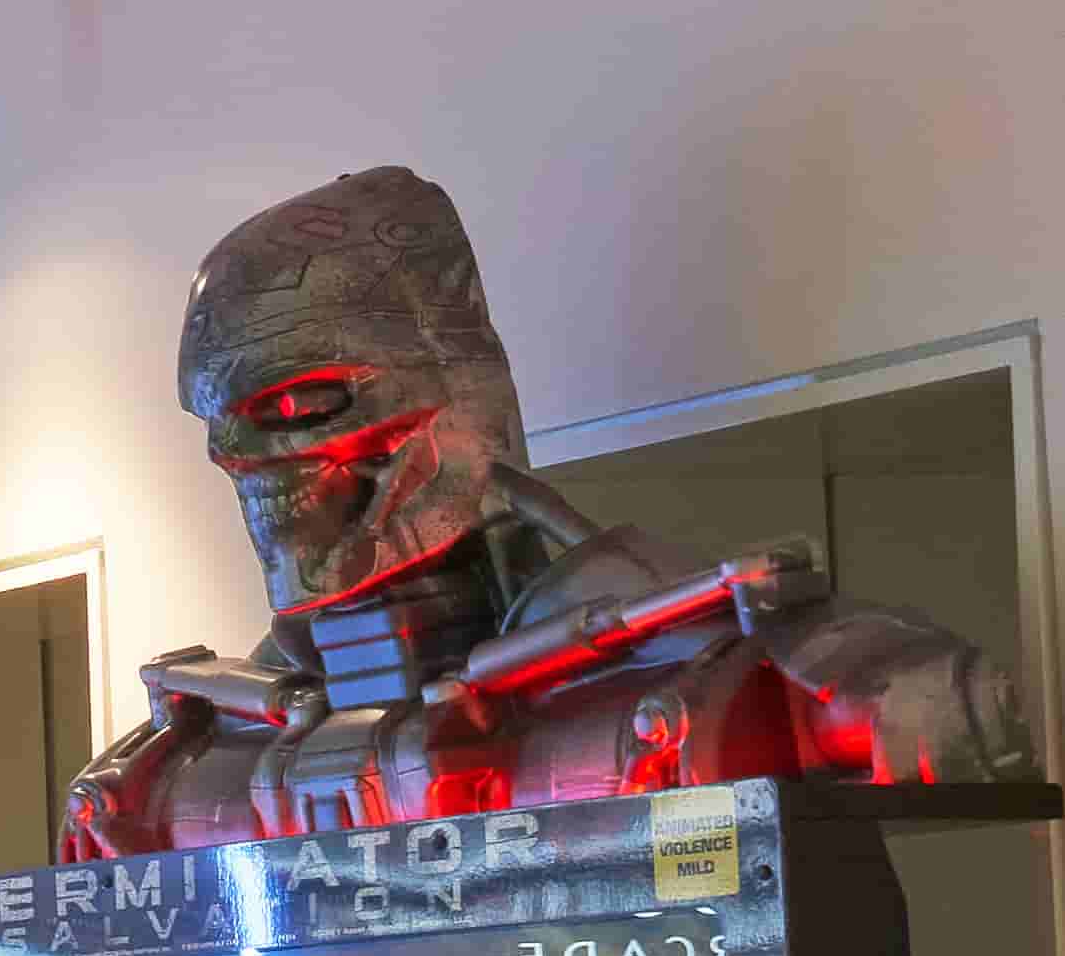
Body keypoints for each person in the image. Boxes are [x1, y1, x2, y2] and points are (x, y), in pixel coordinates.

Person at [72, 166, 1027, 851]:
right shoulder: (217, 732)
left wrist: (862, 674)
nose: (238, 454)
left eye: (297, 405)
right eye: (217, 421)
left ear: (439, 392)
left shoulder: (690, 649)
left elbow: (904, 698)